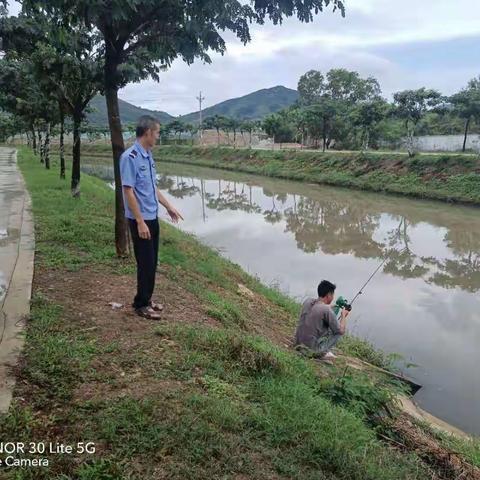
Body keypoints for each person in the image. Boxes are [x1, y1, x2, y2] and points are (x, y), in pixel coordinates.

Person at [120, 115, 184, 320]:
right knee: (145, 263)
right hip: (141, 219)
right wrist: (139, 221)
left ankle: (147, 300)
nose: (158, 136)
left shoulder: (148, 156)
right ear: (147, 132)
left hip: (152, 216)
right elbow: (128, 191)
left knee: (152, 262)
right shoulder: (129, 157)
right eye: (157, 132)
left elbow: (152, 188)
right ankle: (140, 305)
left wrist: (169, 207)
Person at [294, 280, 349, 359]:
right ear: (328, 295)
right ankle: (320, 351)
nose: (333, 297)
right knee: (338, 332)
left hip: (297, 344)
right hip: (310, 350)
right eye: (332, 295)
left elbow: (318, 307)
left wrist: (333, 306)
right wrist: (343, 315)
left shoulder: (308, 301)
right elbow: (340, 331)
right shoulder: (326, 310)